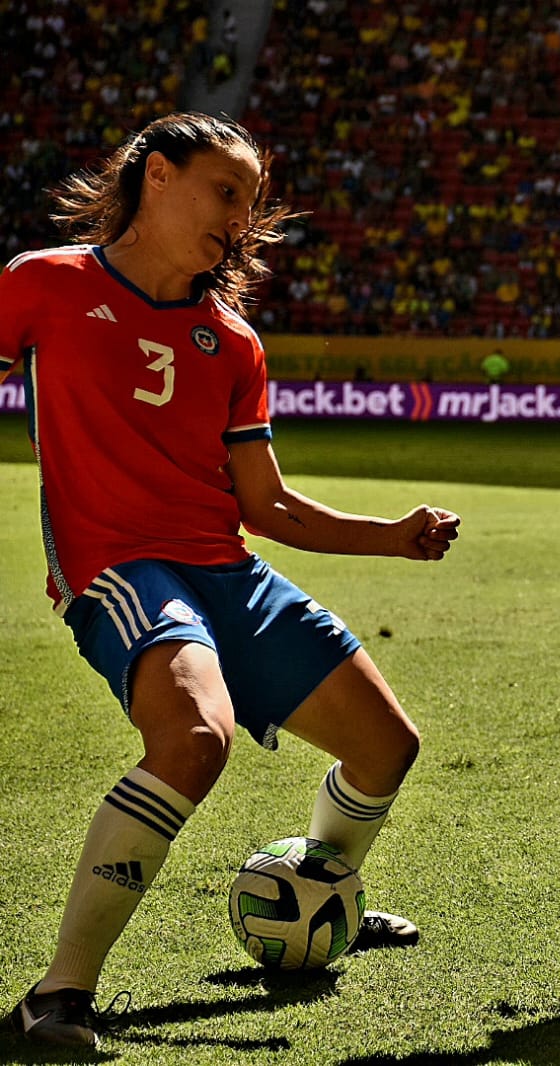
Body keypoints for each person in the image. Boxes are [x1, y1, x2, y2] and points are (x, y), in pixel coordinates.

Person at [0, 112, 461, 1049]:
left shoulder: (233, 341)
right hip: (119, 569)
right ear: (157, 176)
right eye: (227, 192)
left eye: (249, 205)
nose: (240, 220)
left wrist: (395, 537)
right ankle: (59, 994)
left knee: (385, 746)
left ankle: (323, 891)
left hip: (227, 571)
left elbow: (269, 509)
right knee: (194, 736)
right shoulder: (42, 283)